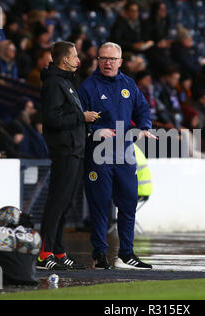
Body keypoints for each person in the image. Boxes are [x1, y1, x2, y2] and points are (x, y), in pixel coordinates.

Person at [77, 42, 156, 270]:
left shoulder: (128, 85)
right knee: (100, 206)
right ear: (98, 60)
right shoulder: (88, 87)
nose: (107, 62)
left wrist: (144, 127)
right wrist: (93, 131)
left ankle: (127, 253)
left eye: (112, 59)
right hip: (98, 155)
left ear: (121, 62)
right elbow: (76, 119)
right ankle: (100, 254)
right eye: (103, 58)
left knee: (129, 203)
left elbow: (142, 109)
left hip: (124, 154)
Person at [37, 41, 99, 270]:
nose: (78, 60)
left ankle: (58, 250)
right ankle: (44, 253)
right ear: (64, 59)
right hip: (65, 150)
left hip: (75, 149)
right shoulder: (54, 84)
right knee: (57, 202)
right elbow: (52, 119)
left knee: (65, 203)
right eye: (74, 56)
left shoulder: (66, 82)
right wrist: (82, 118)